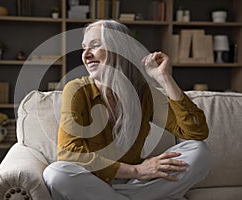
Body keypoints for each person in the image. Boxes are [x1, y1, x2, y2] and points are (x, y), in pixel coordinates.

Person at [43, 20, 212, 200]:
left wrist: (164, 78)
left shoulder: (143, 93)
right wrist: (136, 170)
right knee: (56, 173)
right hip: (94, 181)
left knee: (199, 150)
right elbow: (68, 153)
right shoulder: (77, 90)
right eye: (84, 48)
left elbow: (196, 132)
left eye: (95, 45)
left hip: (131, 185)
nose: (86, 55)